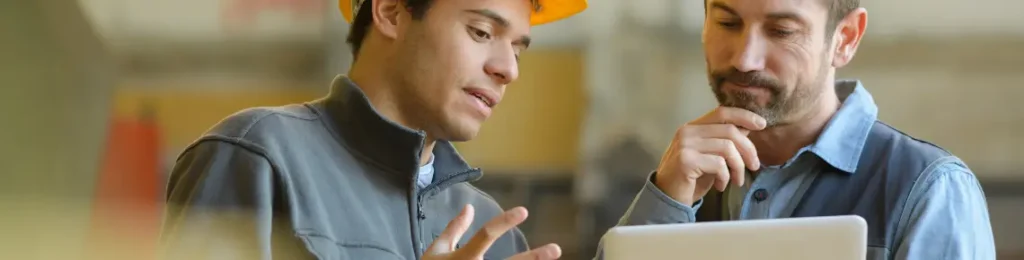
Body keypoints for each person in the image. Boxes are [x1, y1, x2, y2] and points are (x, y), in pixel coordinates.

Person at [159, 0, 586, 259]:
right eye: (481, 31)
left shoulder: (490, 227)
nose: (508, 69)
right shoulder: (259, 157)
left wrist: (656, 200)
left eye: (518, 50)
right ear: (391, 12)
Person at [597, 0, 997, 259]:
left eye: (781, 31)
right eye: (726, 22)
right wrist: (664, 205)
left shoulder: (928, 191)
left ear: (846, 38)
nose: (745, 58)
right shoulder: (680, 182)